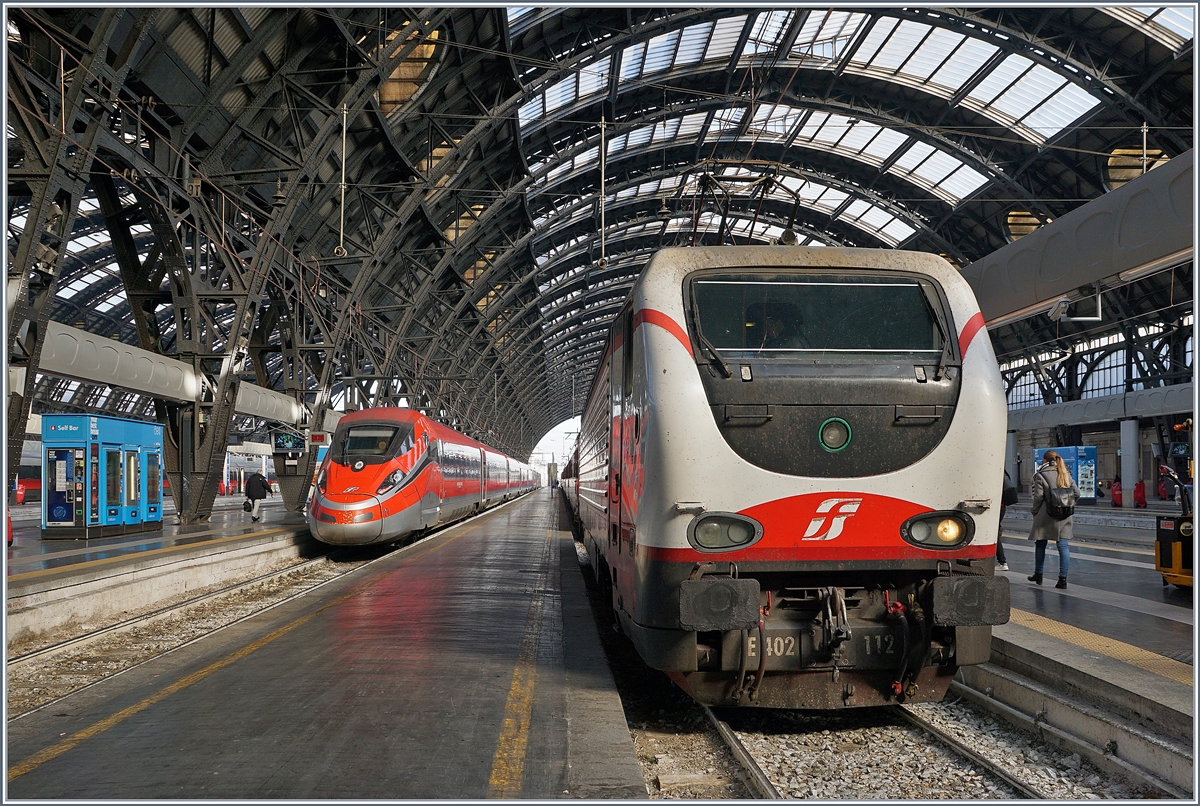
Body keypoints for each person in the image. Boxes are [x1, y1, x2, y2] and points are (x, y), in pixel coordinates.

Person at [1028, 451, 1079, 589]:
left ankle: (1038, 574)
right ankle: (1062, 579)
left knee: (1040, 543)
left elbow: (1038, 497)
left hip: (1046, 514)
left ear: (1045, 461)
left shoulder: (1040, 475)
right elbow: (1077, 493)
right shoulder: (1065, 473)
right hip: (1065, 515)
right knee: (1063, 546)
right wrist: (1066, 503)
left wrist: (1034, 511)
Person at [996, 469, 1017, 571]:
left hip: (995, 507)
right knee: (995, 532)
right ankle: (1002, 561)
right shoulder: (1002, 471)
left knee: (993, 534)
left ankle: (1002, 561)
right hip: (1002, 506)